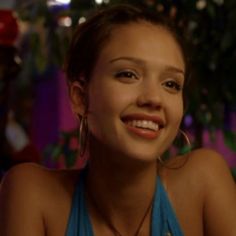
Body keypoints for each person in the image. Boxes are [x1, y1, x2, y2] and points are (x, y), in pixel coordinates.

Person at [0, 4, 236, 236]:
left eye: (171, 84)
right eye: (128, 74)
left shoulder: (204, 182)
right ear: (81, 98)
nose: (154, 98)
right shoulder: (32, 193)